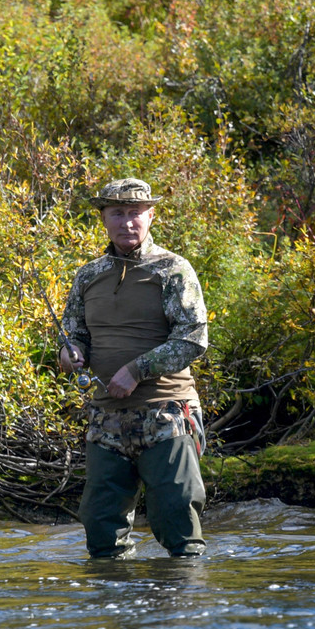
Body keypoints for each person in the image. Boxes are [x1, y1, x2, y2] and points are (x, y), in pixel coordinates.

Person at [58, 177, 208, 558]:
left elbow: (192, 339)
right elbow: (74, 336)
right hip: (106, 419)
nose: (127, 222)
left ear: (151, 216)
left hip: (167, 414)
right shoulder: (88, 275)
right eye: (118, 213)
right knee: (101, 530)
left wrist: (136, 370)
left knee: (179, 523)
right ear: (104, 219)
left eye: (135, 213)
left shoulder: (173, 269)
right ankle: (117, 609)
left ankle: (180, 610)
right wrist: (70, 354)